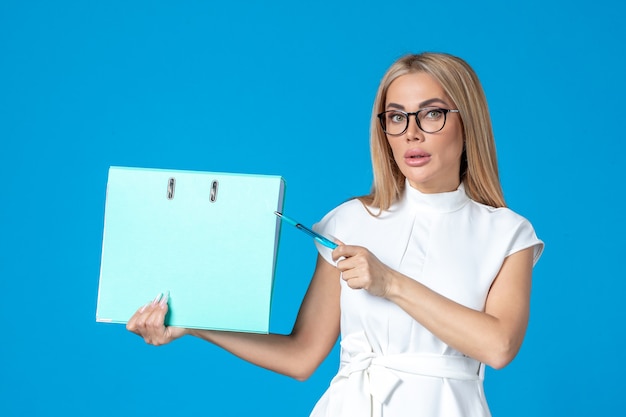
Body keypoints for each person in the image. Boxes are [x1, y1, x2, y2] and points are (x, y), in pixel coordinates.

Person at [127, 52, 544, 417]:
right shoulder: (349, 221)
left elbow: (499, 345)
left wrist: (390, 282)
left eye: (432, 113)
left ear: (466, 122)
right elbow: (302, 356)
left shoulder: (507, 233)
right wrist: (195, 324)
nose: (411, 133)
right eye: (396, 117)